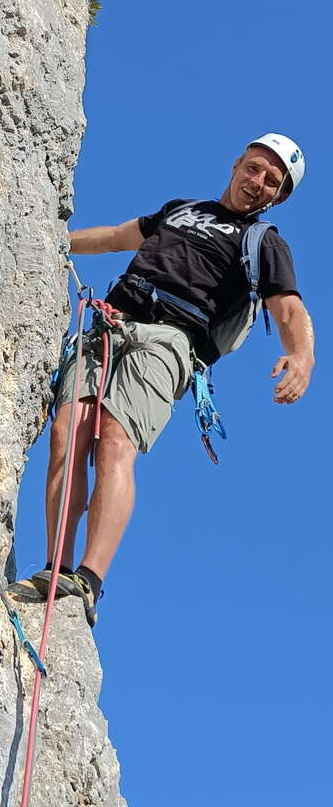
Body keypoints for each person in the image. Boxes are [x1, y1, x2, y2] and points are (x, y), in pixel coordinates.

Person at [25, 134, 315, 626]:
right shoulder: (182, 209)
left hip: (170, 339)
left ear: (278, 197)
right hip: (112, 320)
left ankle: (88, 579)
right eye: (254, 168)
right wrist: (53, 241)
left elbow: (287, 305)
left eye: (272, 181)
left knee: (115, 440)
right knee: (66, 435)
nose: (258, 182)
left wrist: (301, 355)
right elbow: (120, 236)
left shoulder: (264, 242)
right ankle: (56, 568)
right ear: (237, 164)